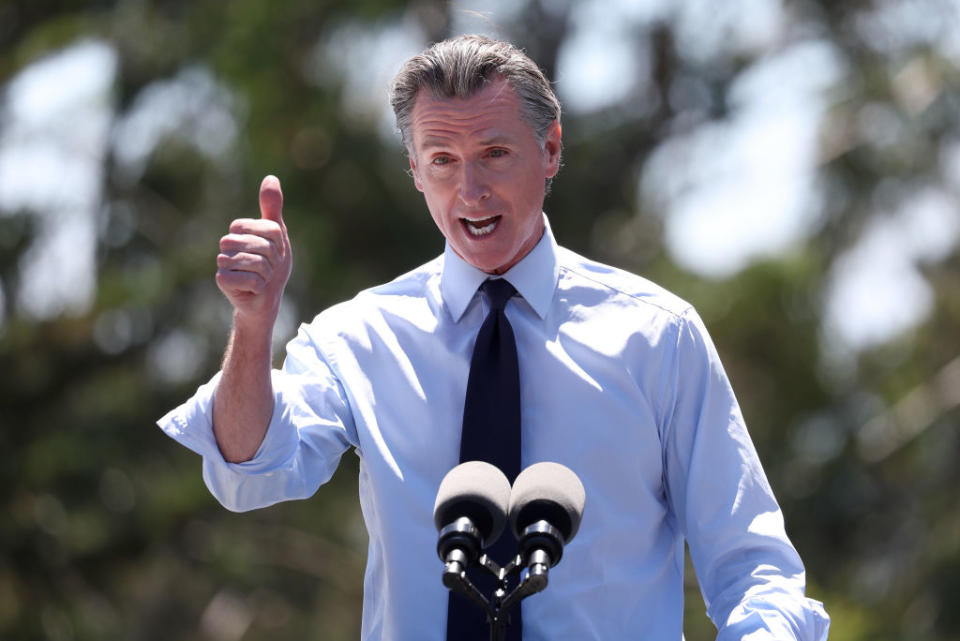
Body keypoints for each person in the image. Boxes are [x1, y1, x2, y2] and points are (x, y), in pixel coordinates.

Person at [158, 35, 830, 640]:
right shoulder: (358, 337)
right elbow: (247, 470)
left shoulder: (657, 337)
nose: (470, 189)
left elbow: (753, 568)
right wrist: (253, 324)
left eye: (495, 153)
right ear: (416, 171)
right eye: (443, 159)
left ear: (552, 149)